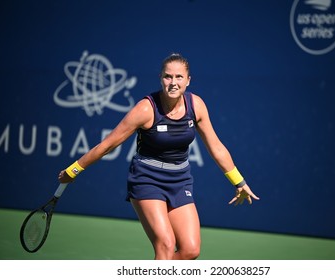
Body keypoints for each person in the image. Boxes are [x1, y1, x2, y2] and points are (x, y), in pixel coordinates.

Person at [58, 53, 259, 260]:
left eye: (179, 77)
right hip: (147, 179)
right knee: (165, 244)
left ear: (188, 80)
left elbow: (216, 147)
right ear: (160, 78)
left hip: (180, 181)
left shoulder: (196, 105)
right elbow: (108, 144)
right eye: (168, 77)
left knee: (191, 250)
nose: (173, 83)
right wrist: (74, 169)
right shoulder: (145, 109)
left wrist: (238, 181)